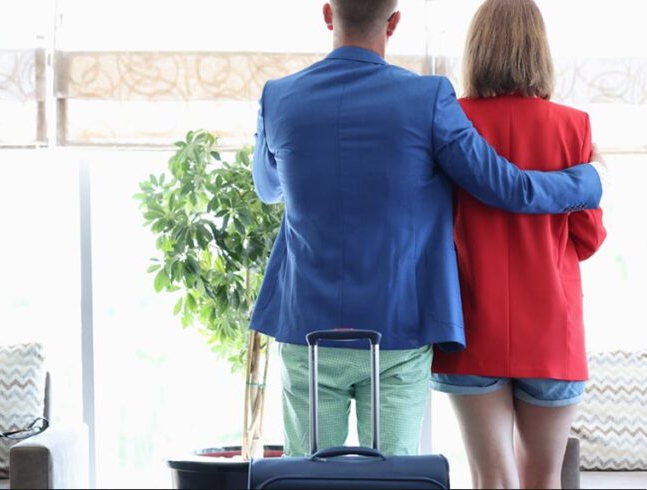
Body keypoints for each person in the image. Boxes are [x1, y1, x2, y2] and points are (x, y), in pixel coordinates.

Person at [250, 0, 607, 458]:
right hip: (397, 330)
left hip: (306, 328)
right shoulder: (427, 100)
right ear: (394, 22)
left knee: (308, 477)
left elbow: (268, 187)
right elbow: (508, 188)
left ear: (326, 14)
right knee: (396, 478)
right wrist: (592, 179)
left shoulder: (277, 96)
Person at [429, 1, 607, 488]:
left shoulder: (452, 120)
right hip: (552, 331)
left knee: (491, 479)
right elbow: (587, 239)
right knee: (543, 479)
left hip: (472, 322)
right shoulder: (573, 126)